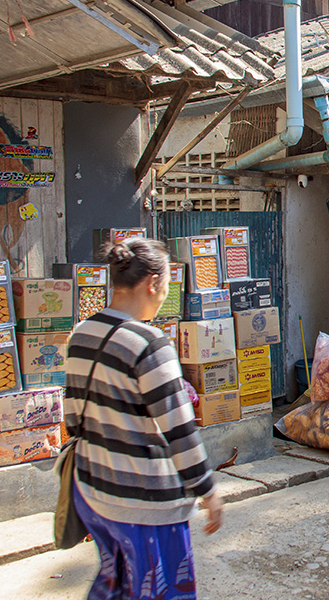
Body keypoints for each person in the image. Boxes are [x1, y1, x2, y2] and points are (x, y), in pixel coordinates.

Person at [65, 238, 222, 599]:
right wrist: (208, 491)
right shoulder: (150, 344)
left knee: (116, 582)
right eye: (166, 284)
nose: (166, 292)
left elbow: (74, 421)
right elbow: (179, 432)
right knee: (159, 588)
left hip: (94, 493)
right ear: (153, 283)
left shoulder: (80, 335)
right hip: (145, 503)